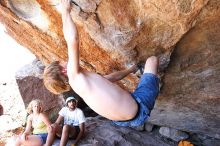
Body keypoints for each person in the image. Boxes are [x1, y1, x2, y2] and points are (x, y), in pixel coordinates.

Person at [43, 0, 159, 127]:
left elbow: (112, 78)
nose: (66, 61)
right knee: (152, 60)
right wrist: (65, 11)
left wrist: (131, 69)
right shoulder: (73, 75)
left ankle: (144, 76)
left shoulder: (81, 84)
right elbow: (72, 39)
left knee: (123, 80)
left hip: (126, 121)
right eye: (63, 62)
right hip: (139, 106)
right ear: (63, 71)